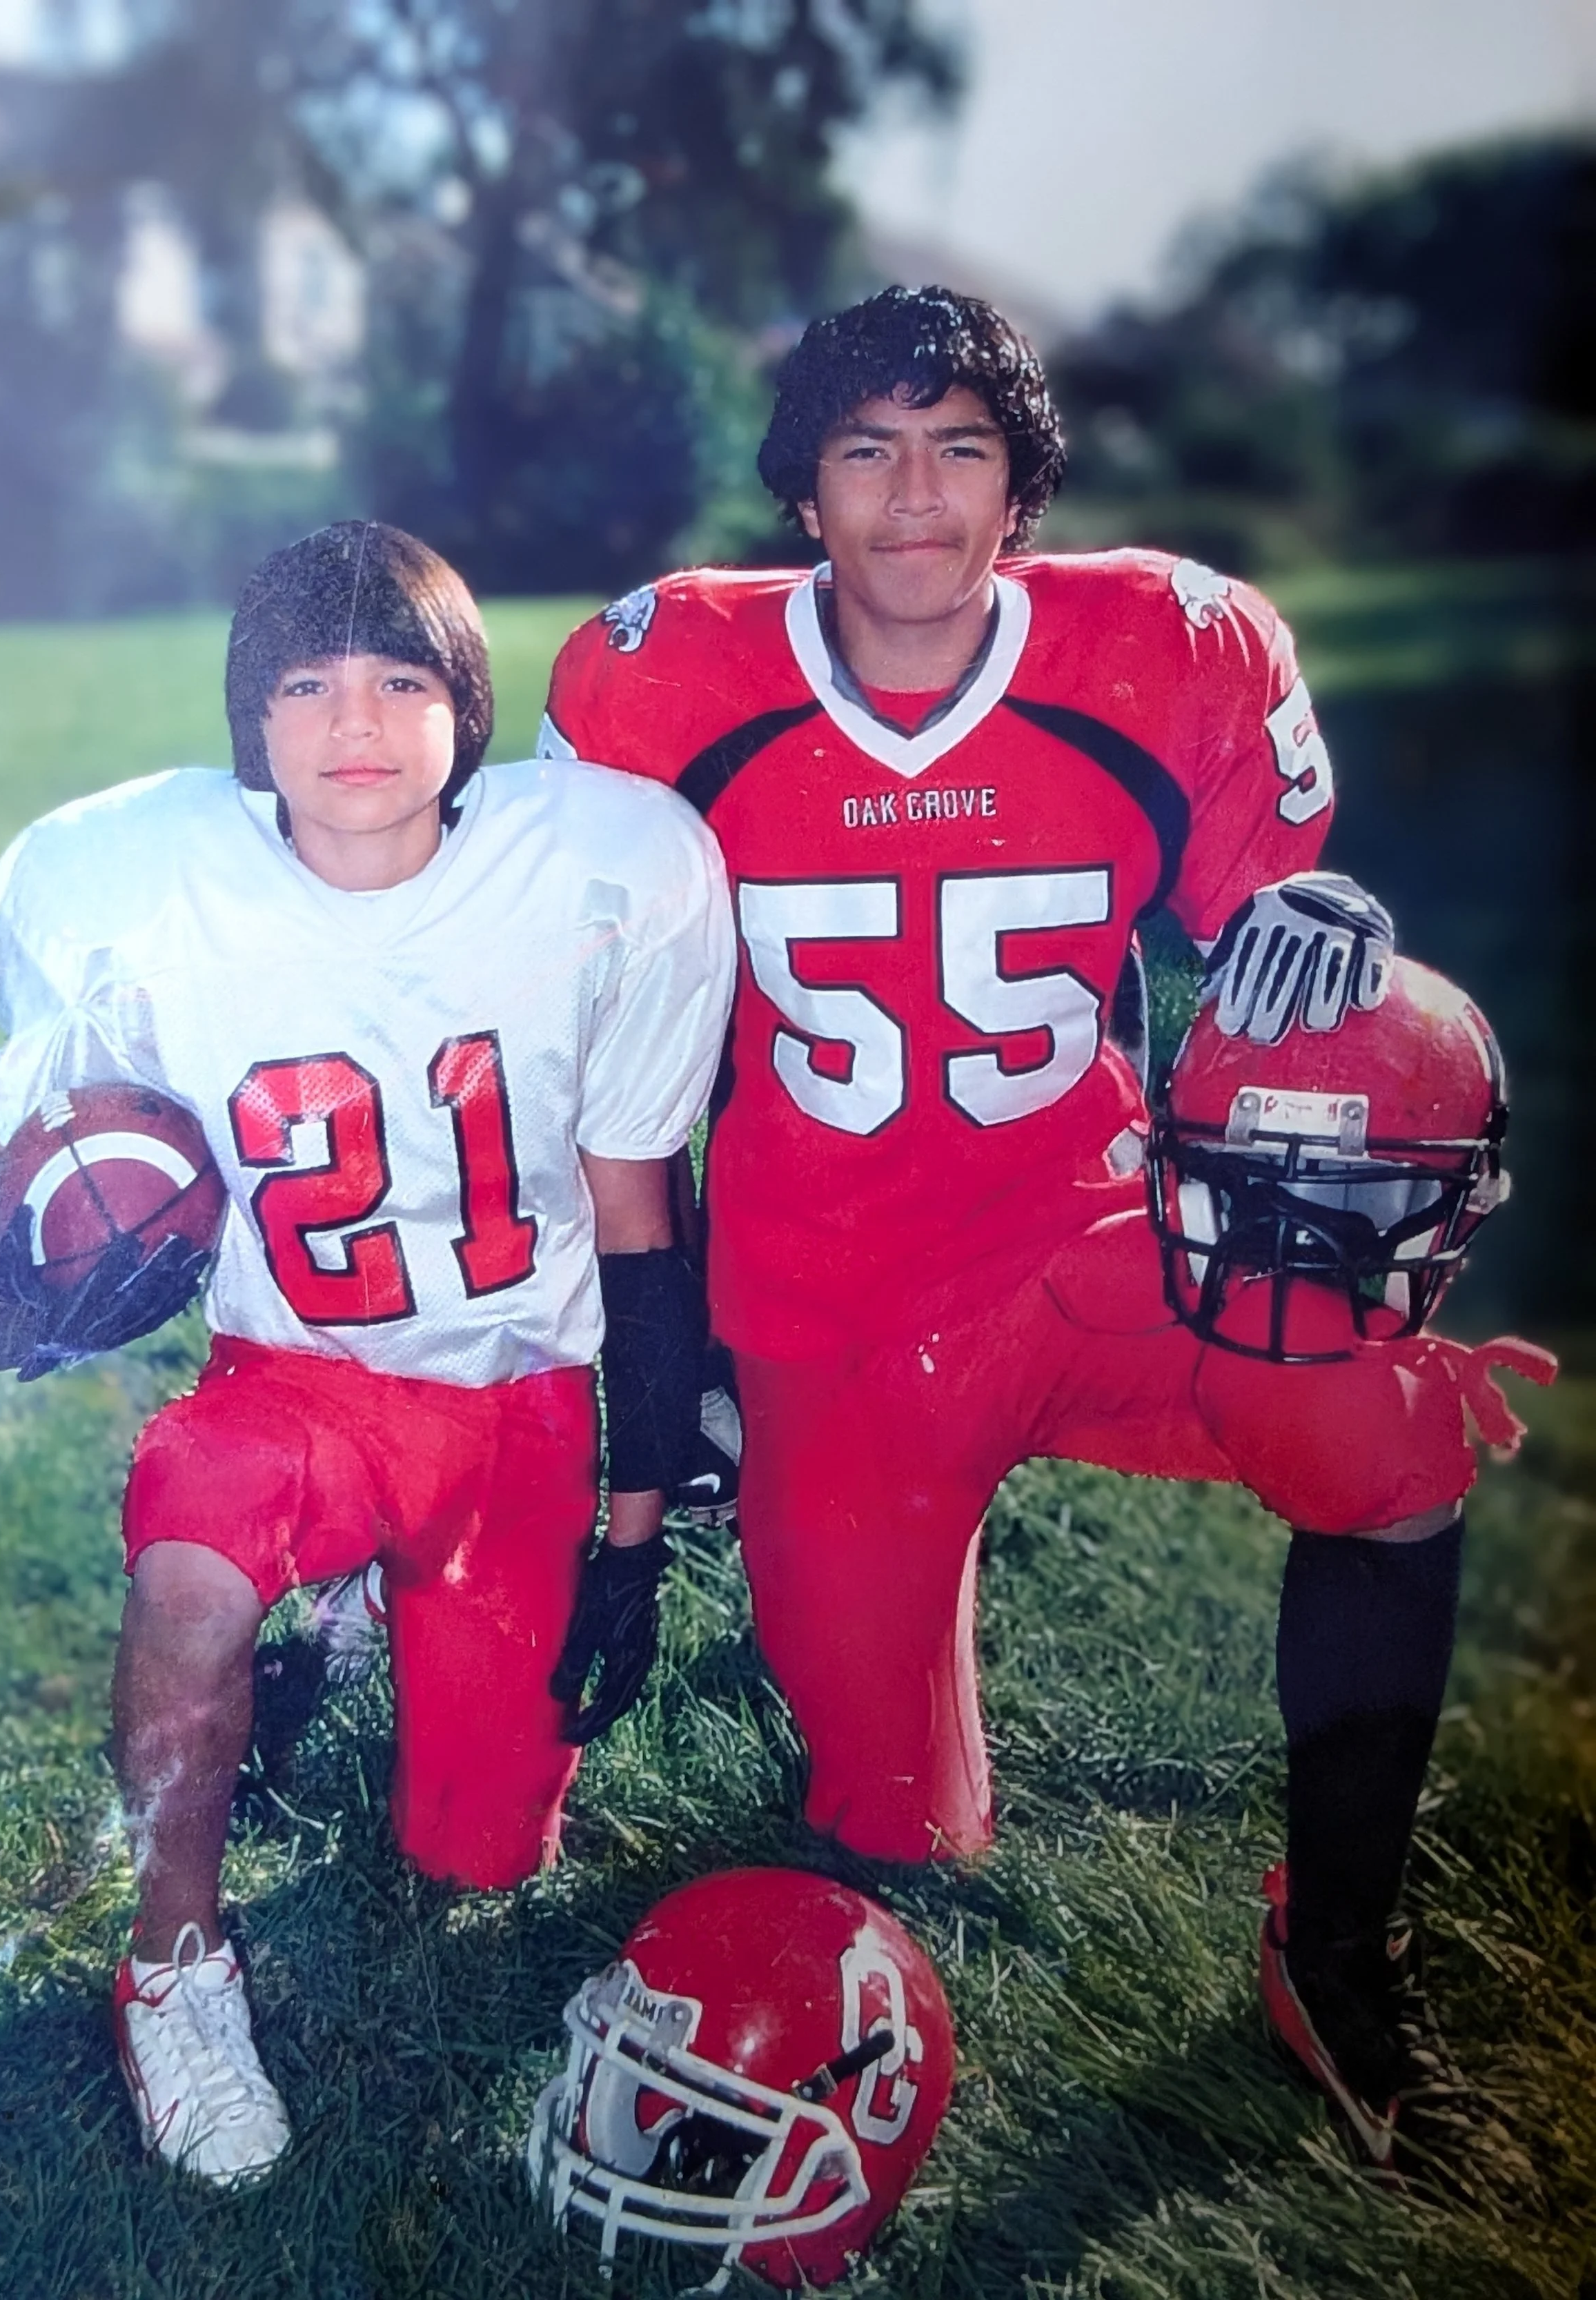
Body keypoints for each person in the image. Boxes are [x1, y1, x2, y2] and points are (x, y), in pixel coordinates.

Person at [539, 287, 1554, 2172]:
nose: (911, 499)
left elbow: (1285, 950)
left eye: (958, 450)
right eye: (864, 450)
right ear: (802, 494)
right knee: (899, 1828)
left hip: (1090, 1252)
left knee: (1380, 1430)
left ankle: (1329, 1940)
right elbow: (567, 1019)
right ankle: (780, 1474)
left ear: (1022, 492)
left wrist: (1320, 901)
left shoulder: (1163, 647)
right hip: (826, 1307)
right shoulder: (659, 678)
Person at [0, 521, 735, 2187]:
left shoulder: (602, 871)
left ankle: (382, 1603)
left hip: (521, 1404)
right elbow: (19, 1188)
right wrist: (29, 1242)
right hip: (287, 1381)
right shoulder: (140, 888)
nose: (351, 721)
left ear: (467, 708)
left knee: (478, 1860)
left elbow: (643, 1228)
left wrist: (634, 1532)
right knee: (192, 1565)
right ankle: (172, 1961)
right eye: (304, 684)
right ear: (251, 720)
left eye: (398, 679)